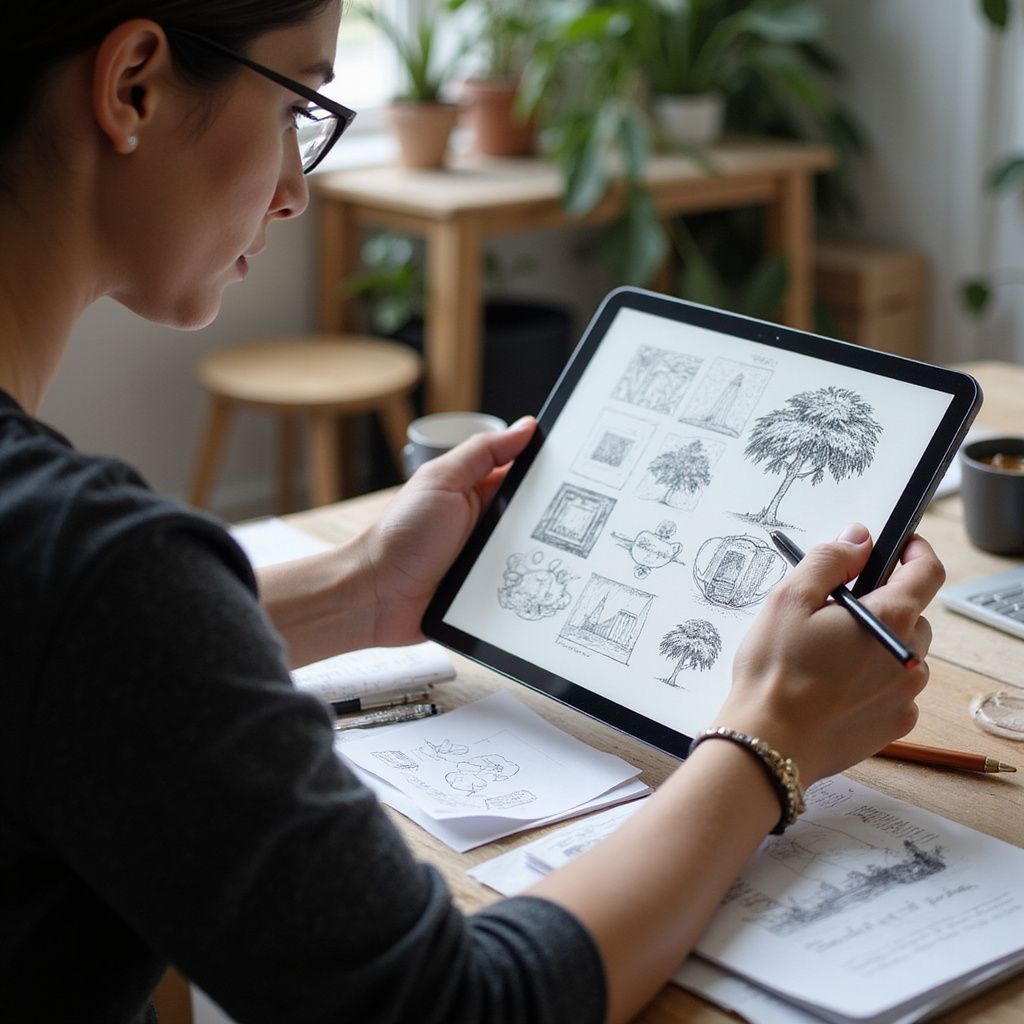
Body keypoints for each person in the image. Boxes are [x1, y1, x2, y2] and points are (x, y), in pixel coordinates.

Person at [0, 3, 944, 1022]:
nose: (295, 191)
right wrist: (766, 742)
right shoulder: (95, 569)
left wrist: (361, 587)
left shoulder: (65, 568)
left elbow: (65, 667)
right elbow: (451, 1005)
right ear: (133, 83)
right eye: (296, 106)